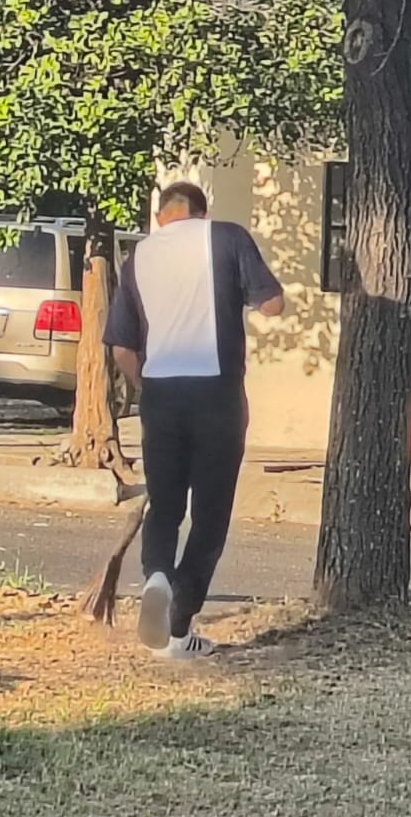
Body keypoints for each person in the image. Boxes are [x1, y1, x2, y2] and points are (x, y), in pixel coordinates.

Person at [103, 181, 285, 660]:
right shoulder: (226, 237)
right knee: (210, 515)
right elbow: (272, 303)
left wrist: (148, 388)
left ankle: (157, 578)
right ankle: (179, 626)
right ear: (202, 213)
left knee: (165, 506)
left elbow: (121, 348)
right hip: (217, 394)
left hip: (161, 393)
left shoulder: (139, 256)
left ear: (161, 217)